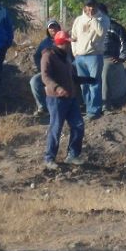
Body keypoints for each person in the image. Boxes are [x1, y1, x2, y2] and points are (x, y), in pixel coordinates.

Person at [41, 31, 87, 169]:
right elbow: (45, 76)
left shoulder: (66, 56)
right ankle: (49, 158)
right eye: (66, 42)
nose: (68, 44)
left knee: (78, 125)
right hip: (56, 99)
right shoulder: (48, 56)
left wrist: (85, 80)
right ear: (60, 42)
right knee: (56, 128)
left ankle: (72, 155)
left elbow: (71, 76)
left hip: (70, 97)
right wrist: (57, 88)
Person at [71, 0, 110, 120]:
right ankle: (88, 108)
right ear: (84, 7)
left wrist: (93, 19)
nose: (90, 8)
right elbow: (73, 37)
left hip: (94, 55)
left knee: (94, 83)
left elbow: (101, 32)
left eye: (93, 5)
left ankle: (94, 110)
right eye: (88, 6)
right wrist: (75, 52)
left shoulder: (103, 19)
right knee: (84, 85)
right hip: (80, 57)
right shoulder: (78, 20)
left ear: (96, 6)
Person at [100, 3, 126, 112]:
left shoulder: (115, 27)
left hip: (108, 58)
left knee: (105, 70)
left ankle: (105, 104)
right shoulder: (89, 27)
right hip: (91, 57)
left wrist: (121, 58)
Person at [30, 19, 62, 116]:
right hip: (48, 72)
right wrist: (42, 68)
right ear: (47, 30)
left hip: (63, 72)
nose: (52, 29)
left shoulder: (65, 40)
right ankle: (43, 108)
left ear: (58, 28)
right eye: (50, 27)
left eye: (54, 27)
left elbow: (73, 56)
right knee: (34, 81)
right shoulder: (44, 43)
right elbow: (36, 56)